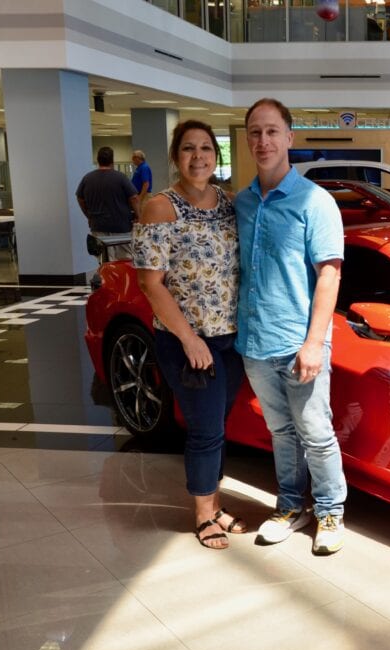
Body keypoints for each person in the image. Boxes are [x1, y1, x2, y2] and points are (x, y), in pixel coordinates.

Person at [235, 98, 347, 555]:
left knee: (316, 432)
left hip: (299, 342)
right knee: (281, 433)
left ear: (290, 138)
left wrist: (315, 343)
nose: (264, 141)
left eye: (272, 132)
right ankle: (288, 506)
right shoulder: (240, 202)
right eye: (256, 133)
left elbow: (330, 273)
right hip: (255, 342)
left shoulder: (314, 202)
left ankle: (330, 510)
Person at [133, 120, 246, 550]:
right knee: (204, 430)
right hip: (187, 341)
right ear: (175, 156)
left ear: (215, 156)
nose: (198, 157)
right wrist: (190, 339)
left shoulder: (228, 202)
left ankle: (215, 504)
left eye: (205, 148)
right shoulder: (160, 207)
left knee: (217, 425)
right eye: (188, 149)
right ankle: (203, 515)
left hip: (231, 339)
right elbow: (151, 283)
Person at [76, 146, 139, 261]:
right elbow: (134, 197)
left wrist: (89, 215)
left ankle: (106, 279)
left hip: (98, 226)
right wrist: (139, 216)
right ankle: (121, 279)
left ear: (98, 159)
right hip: (121, 227)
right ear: (112, 161)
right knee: (125, 260)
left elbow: (80, 198)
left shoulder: (87, 178)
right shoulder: (121, 177)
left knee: (104, 261)